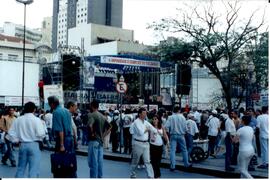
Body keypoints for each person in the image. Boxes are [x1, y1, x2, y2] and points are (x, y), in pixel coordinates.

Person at [7, 102, 46, 178]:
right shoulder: (36, 120)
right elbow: (41, 134)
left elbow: (10, 132)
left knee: (21, 168)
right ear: (34, 109)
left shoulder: (18, 119)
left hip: (23, 144)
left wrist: (16, 140)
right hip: (34, 144)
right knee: (33, 170)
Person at [48, 96, 77, 178]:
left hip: (63, 140)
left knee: (60, 162)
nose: (50, 106)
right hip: (69, 138)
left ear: (53, 104)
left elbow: (60, 130)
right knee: (69, 161)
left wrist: (61, 145)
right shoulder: (67, 111)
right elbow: (72, 127)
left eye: (50, 104)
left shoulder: (56, 112)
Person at [130, 108, 157, 178]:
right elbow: (140, 132)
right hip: (138, 143)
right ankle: (133, 174)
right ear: (140, 114)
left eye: (145, 113)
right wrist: (147, 129)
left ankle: (150, 176)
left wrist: (151, 129)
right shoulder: (136, 122)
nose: (145, 114)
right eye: (144, 113)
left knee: (147, 161)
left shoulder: (146, 122)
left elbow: (154, 130)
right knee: (135, 161)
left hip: (146, 143)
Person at [87, 100, 111, 178]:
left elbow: (90, 125)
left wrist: (93, 133)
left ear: (92, 106)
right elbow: (110, 127)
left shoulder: (92, 115)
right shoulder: (102, 116)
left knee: (93, 162)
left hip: (93, 141)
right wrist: (103, 136)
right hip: (100, 141)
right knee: (100, 162)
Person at [165, 106, 192, 171]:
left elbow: (166, 126)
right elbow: (186, 128)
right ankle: (186, 164)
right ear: (179, 110)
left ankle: (173, 166)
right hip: (181, 135)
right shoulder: (183, 117)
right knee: (184, 150)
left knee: (172, 150)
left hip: (173, 135)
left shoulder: (170, 117)